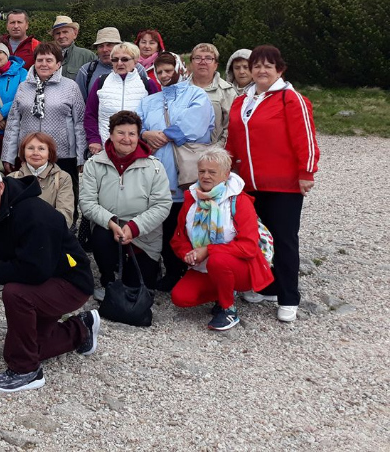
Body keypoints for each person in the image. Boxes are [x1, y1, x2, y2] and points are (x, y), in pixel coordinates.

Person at [0, 164, 97, 393]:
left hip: (71, 282)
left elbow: (37, 268)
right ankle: (82, 328)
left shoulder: (32, 212)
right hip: (42, 283)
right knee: (23, 347)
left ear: (0, 186)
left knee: (15, 293)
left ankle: (26, 372)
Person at [226, 45, 319, 323]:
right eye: (256, 65)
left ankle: (289, 296)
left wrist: (307, 172)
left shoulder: (291, 99)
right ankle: (268, 286)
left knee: (284, 239)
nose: (261, 70)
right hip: (249, 184)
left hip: (283, 185)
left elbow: (305, 139)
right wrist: (227, 170)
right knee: (258, 236)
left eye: (268, 65)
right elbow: (232, 140)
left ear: (280, 69)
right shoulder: (242, 101)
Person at [170, 148, 275, 331]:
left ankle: (228, 309)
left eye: (212, 172)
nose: (206, 176)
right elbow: (178, 237)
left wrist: (208, 250)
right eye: (202, 171)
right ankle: (223, 289)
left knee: (218, 260)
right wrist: (187, 253)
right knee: (180, 298)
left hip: (241, 266)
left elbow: (248, 247)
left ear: (226, 175)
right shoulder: (191, 198)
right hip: (205, 266)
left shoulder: (239, 201)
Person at [137, 65, 215, 292]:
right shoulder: (149, 100)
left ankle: (184, 270)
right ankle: (166, 269)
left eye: (168, 70)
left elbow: (196, 124)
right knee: (159, 222)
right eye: (159, 71)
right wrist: (144, 134)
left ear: (179, 70)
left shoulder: (196, 94)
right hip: (156, 167)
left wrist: (163, 135)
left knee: (180, 223)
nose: (164, 75)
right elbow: (137, 122)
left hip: (183, 169)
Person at [79, 110, 172, 293]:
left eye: (132, 134)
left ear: (138, 137)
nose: (126, 139)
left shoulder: (154, 166)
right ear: (111, 135)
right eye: (121, 133)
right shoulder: (94, 164)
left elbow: (162, 205)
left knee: (137, 288)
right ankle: (107, 278)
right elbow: (87, 202)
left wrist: (134, 226)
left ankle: (148, 267)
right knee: (101, 236)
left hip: (143, 233)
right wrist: (112, 223)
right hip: (109, 227)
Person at [1, 43, 85, 215]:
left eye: (49, 60)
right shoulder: (24, 87)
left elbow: (79, 123)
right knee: (30, 198)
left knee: (64, 198)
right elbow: (13, 122)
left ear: (58, 64)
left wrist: (81, 157)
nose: (44, 64)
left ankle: (66, 231)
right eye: (40, 60)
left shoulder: (70, 87)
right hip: (30, 154)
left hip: (63, 154)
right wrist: (8, 155)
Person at [84, 42, 160, 155]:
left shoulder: (147, 84)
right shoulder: (101, 82)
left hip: (138, 148)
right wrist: (94, 139)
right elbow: (90, 115)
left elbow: (157, 117)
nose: (119, 63)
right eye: (115, 60)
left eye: (124, 59)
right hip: (106, 148)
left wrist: (149, 139)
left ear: (135, 60)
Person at [8, 132, 74, 227]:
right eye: (30, 148)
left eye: (41, 149)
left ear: (49, 153)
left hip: (51, 235)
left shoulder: (62, 178)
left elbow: (65, 216)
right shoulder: (11, 179)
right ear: (23, 152)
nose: (35, 153)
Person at [187, 43, 238, 144]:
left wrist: (217, 150)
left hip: (215, 152)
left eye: (208, 58)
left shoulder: (227, 91)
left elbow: (232, 126)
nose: (203, 62)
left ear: (216, 65)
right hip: (183, 152)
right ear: (191, 63)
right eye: (197, 58)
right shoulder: (179, 89)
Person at [76, 27, 121, 100]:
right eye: (100, 46)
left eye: (109, 45)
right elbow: (79, 104)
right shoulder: (86, 71)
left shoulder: (136, 69)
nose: (104, 50)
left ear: (119, 47)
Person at [51, 15, 96, 81]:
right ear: (54, 36)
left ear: (75, 34)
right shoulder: (47, 56)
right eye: (57, 33)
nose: (61, 36)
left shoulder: (88, 56)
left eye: (65, 32)